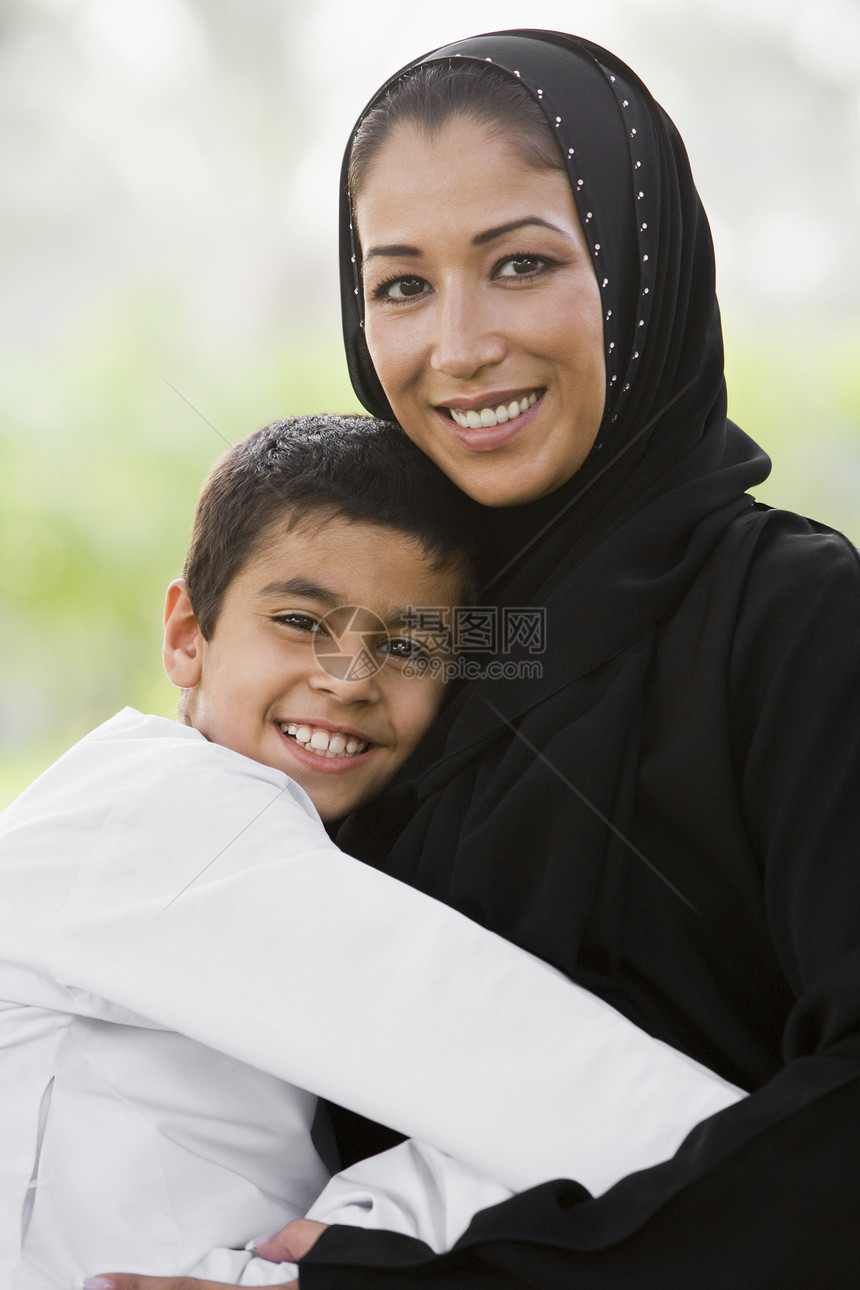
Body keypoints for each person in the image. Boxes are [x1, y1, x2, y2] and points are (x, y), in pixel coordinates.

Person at [95, 27, 860, 1290]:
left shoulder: (790, 622)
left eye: (518, 264)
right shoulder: (384, 658)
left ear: (639, 273)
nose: (455, 346)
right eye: (400, 284)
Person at [1, 414, 741, 1290]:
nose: (349, 680)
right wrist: (793, 1186)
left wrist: (348, 1243)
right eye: (299, 619)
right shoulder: (164, 814)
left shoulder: (268, 844)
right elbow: (600, 1101)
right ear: (187, 634)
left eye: (407, 646)